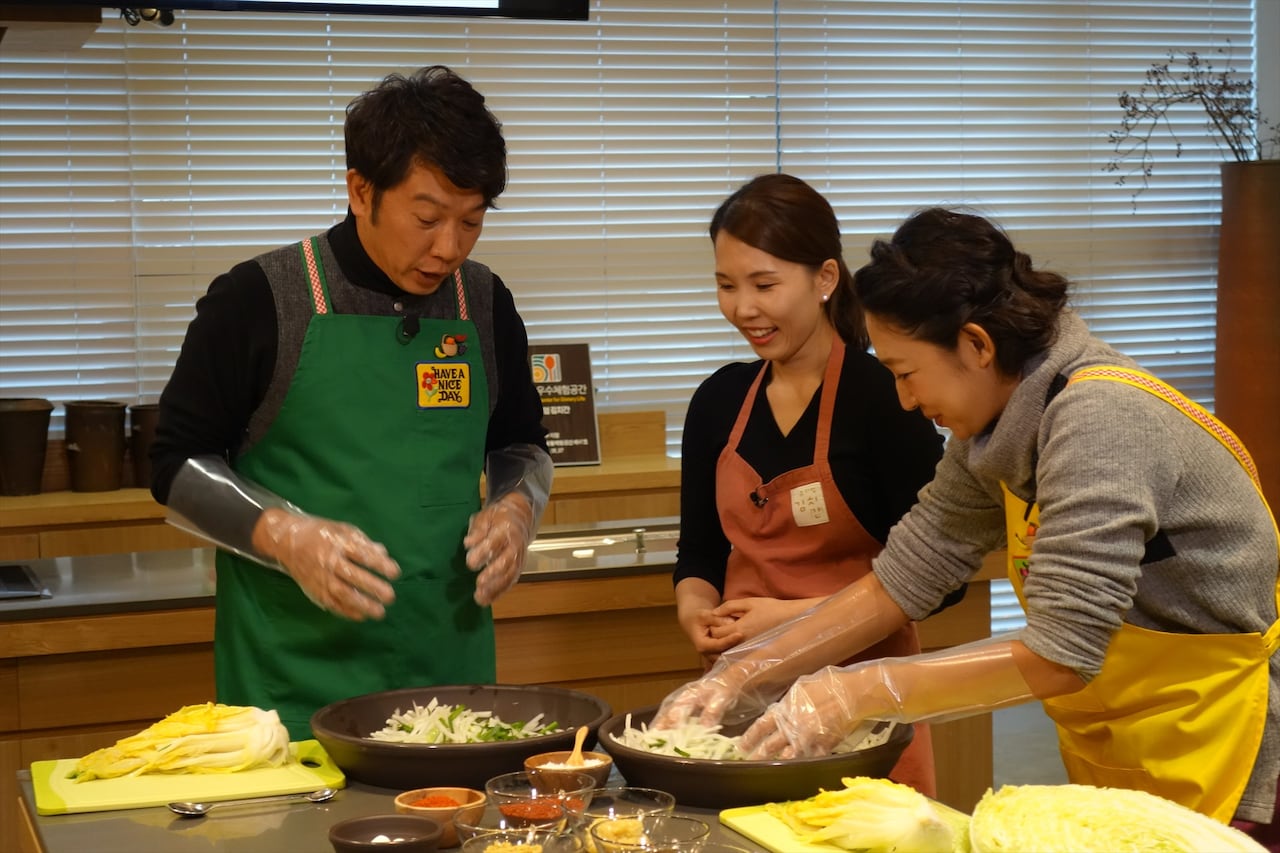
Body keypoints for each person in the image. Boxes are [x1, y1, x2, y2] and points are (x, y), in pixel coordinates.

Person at [656, 207, 1279, 836]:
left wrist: (857, 691)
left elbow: (1061, 651)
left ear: (977, 346)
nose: (903, 399)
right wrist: (746, 672)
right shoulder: (998, 429)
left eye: (905, 372)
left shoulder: (1100, 418)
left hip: (1236, 744)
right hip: (1129, 734)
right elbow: (903, 577)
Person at [149, 66, 553, 740]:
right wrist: (286, 535)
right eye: (427, 218)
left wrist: (516, 507)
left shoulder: (483, 304)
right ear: (360, 189)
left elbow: (520, 444)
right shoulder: (259, 300)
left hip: (451, 684)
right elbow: (175, 464)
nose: (449, 247)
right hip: (294, 687)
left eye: (471, 221)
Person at [673, 174, 947, 796]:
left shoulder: (885, 395)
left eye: (765, 285)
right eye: (726, 285)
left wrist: (786, 617)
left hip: (865, 698)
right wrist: (696, 610)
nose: (743, 308)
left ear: (825, 279)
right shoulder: (719, 400)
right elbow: (700, 551)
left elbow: (937, 581)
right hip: (740, 692)